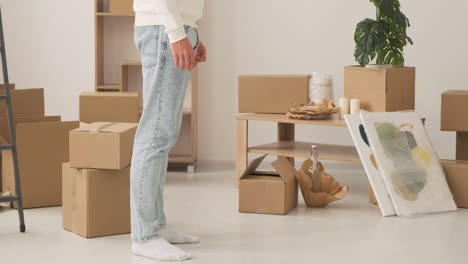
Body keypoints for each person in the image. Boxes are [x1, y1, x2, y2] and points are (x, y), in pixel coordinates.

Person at [130, 0, 206, 261]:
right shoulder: (168, 30)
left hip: (171, 28)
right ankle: (144, 236)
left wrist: (190, 33)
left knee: (164, 135)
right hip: (163, 29)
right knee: (155, 135)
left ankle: (156, 225)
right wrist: (177, 33)